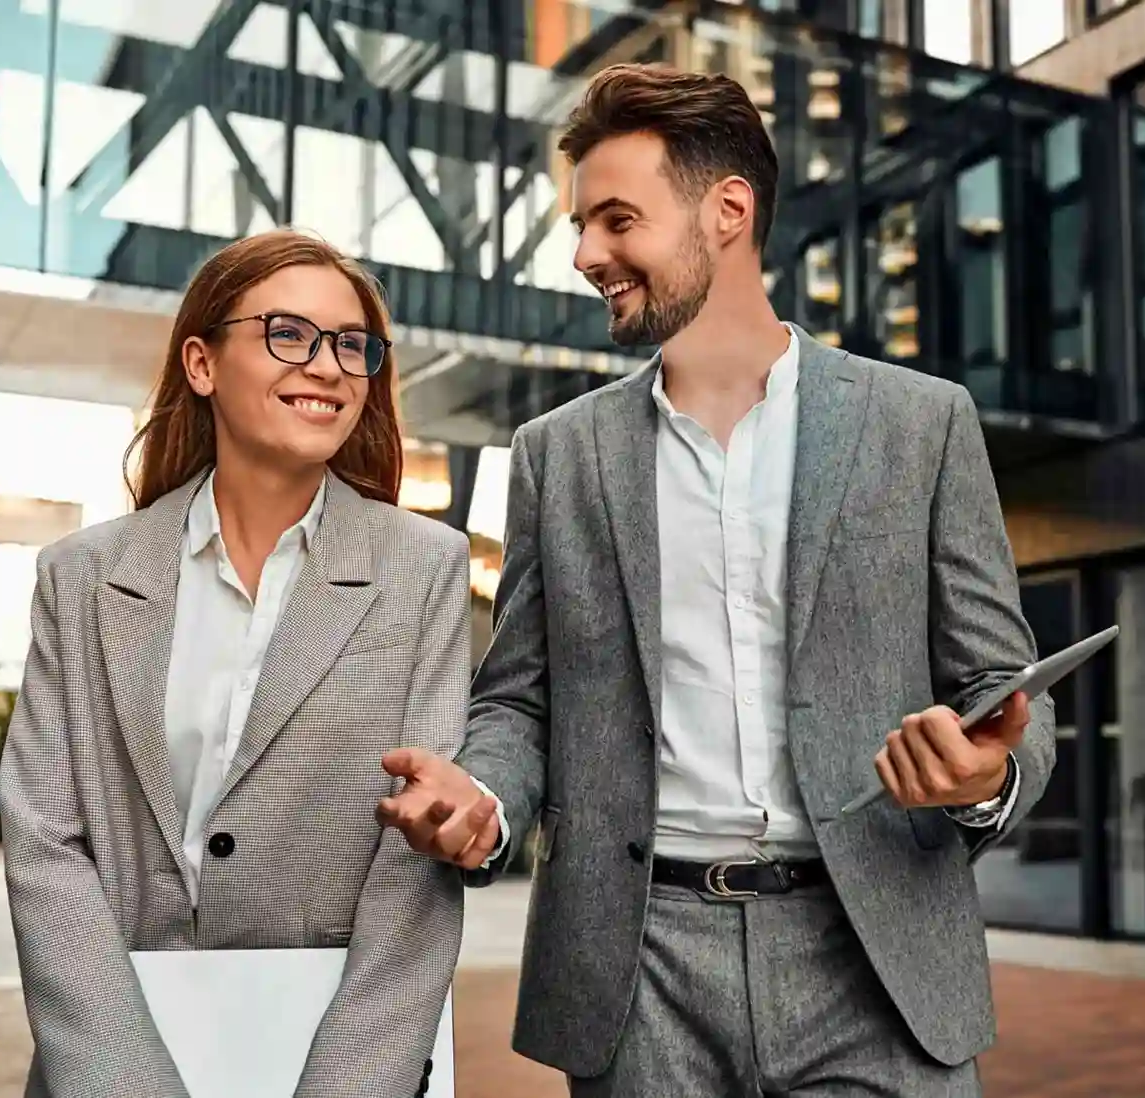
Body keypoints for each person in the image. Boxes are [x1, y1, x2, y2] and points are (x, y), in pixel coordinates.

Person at [377, 63, 1055, 1097]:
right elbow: (519, 696)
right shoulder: (560, 455)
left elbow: (1005, 693)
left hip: (875, 960)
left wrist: (984, 778)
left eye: (615, 220)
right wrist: (483, 799)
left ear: (726, 210)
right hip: (641, 975)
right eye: (581, 226)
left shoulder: (921, 423)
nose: (586, 255)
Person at [0, 229, 467, 1098]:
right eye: (288, 334)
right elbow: (45, 846)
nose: (327, 366)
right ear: (202, 364)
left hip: (334, 1061)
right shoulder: (82, 576)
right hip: (113, 1064)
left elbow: (414, 872)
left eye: (352, 345)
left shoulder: (424, 568)